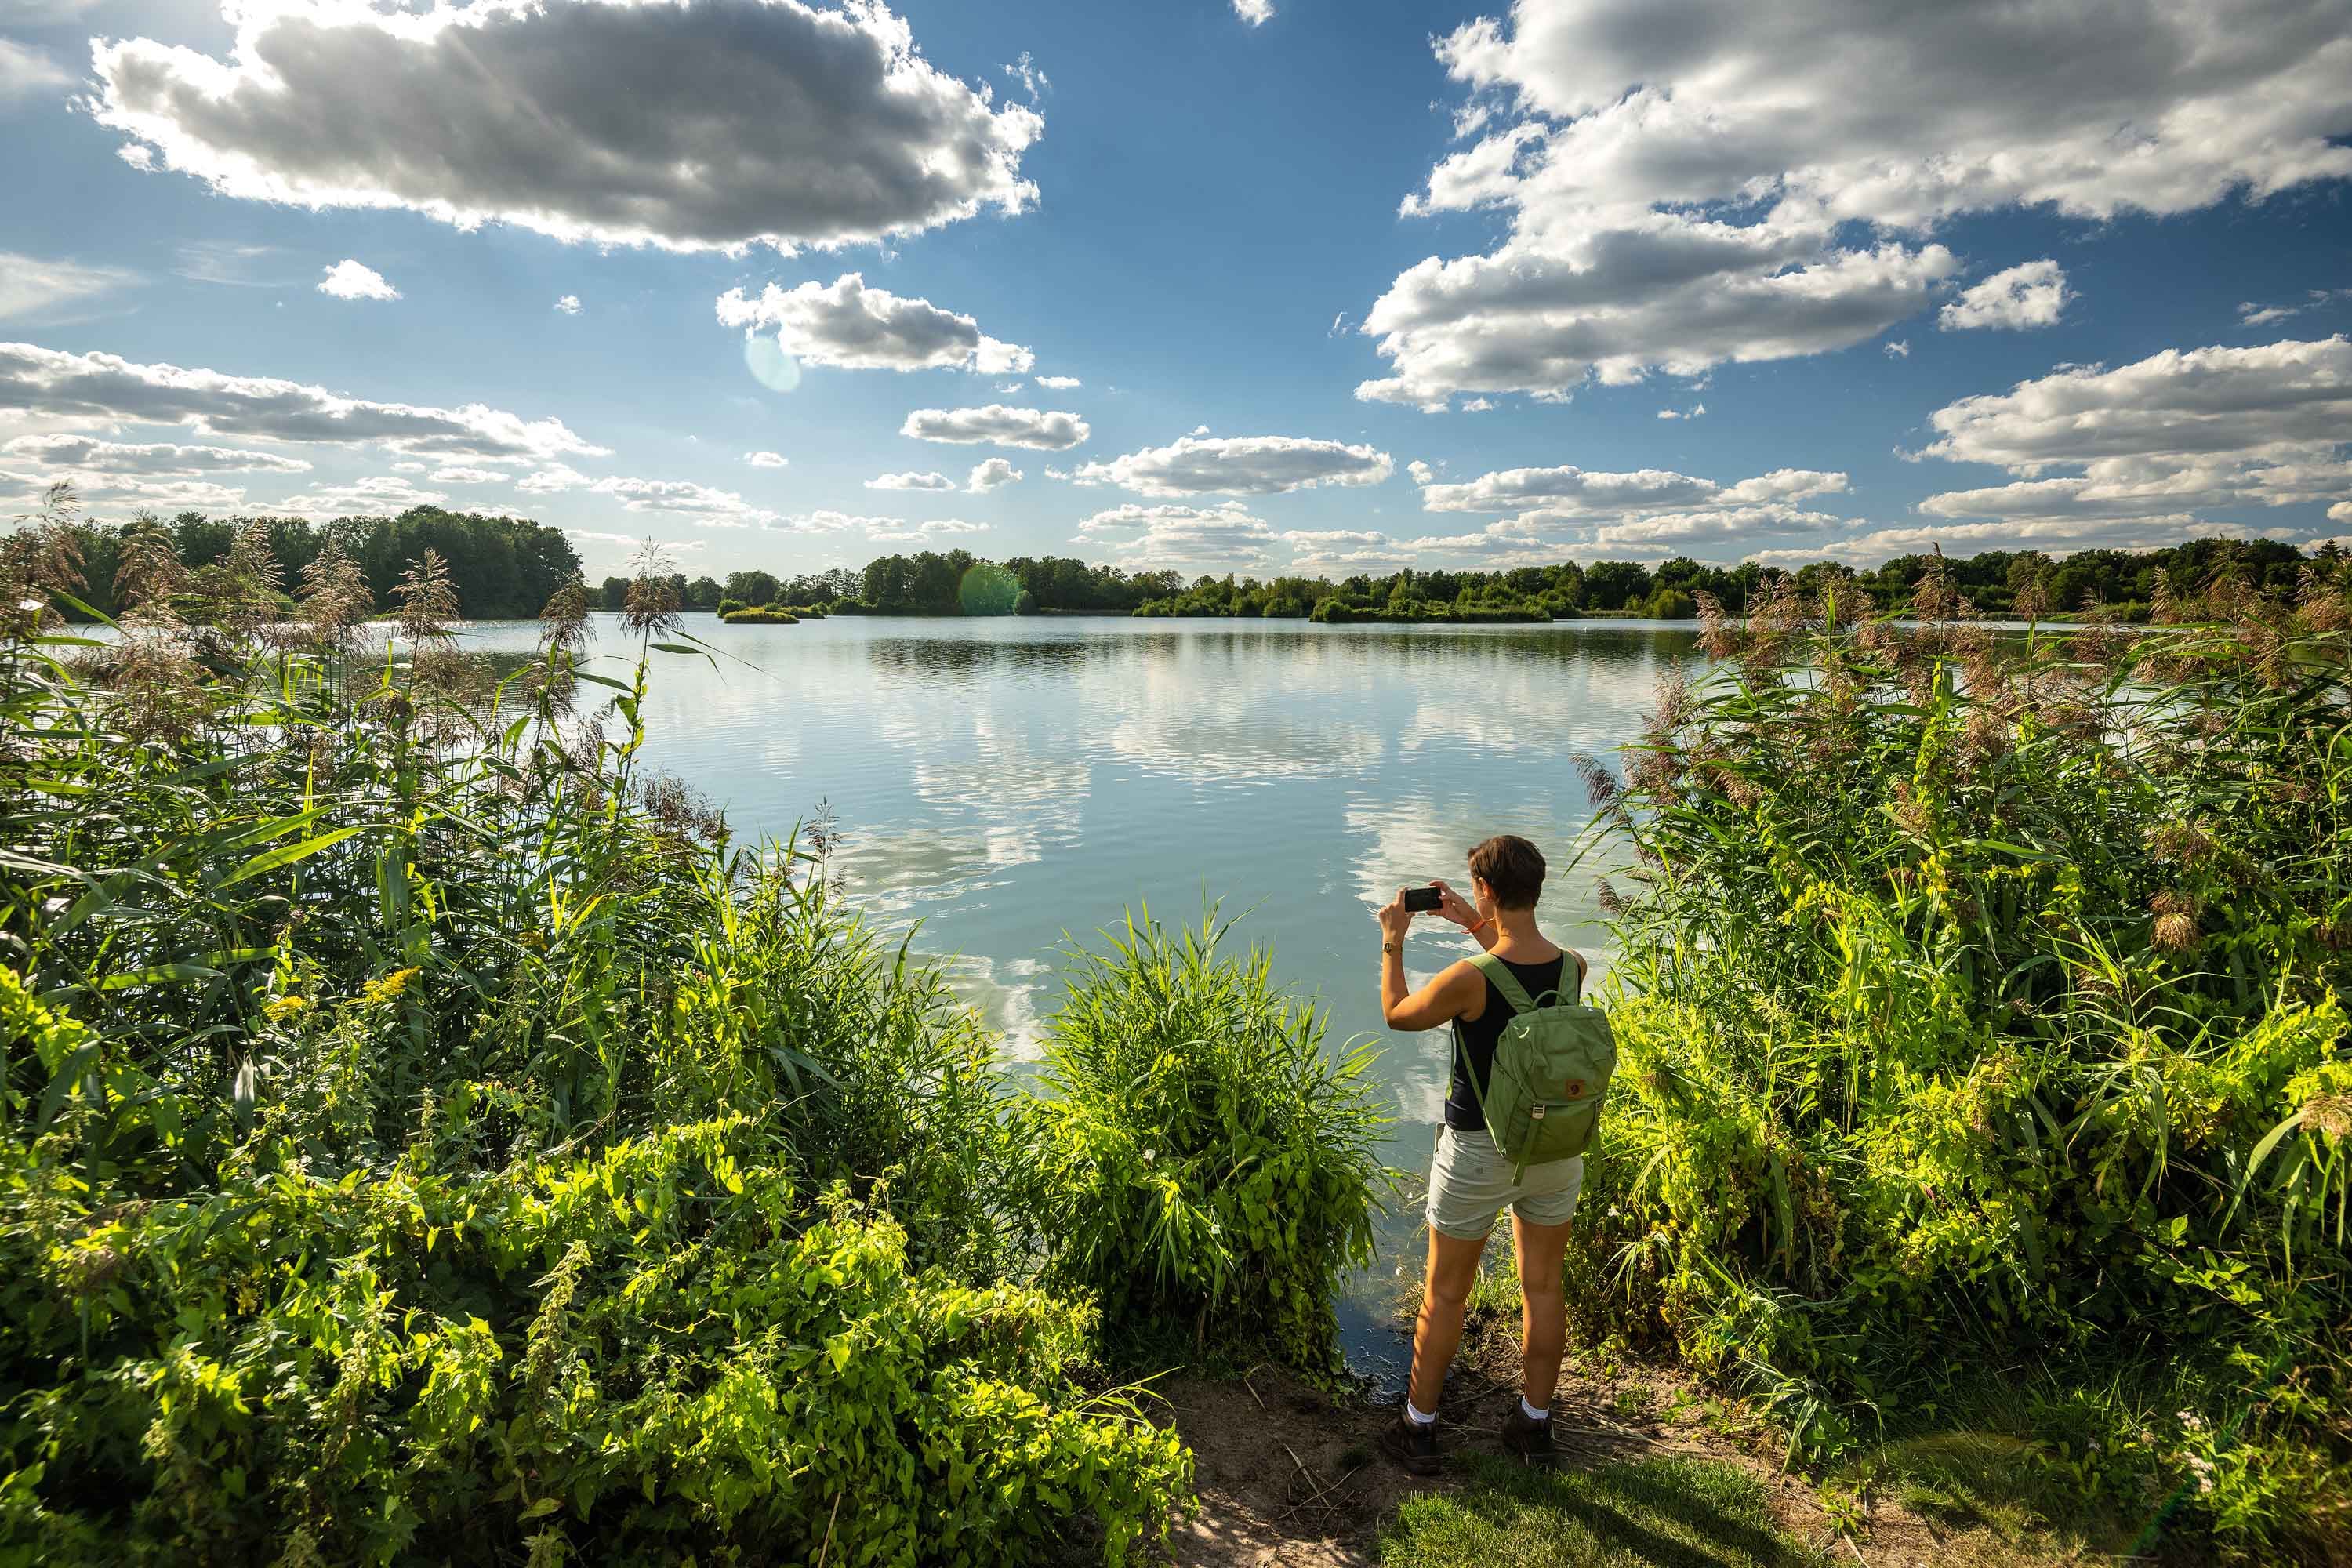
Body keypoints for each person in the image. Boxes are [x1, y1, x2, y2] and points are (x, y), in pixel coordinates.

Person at [1374, 833, 1588, 1475]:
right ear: (1536, 889)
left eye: (1476, 890)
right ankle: (1534, 1424)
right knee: (1543, 1286)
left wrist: (1393, 940)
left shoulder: (1467, 980)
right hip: (1554, 1148)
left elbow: (1397, 1014)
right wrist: (1475, 922)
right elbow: (1517, 969)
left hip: (1478, 1151)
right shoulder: (1574, 967)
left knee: (1445, 1294)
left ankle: (1418, 1429)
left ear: (1487, 889)